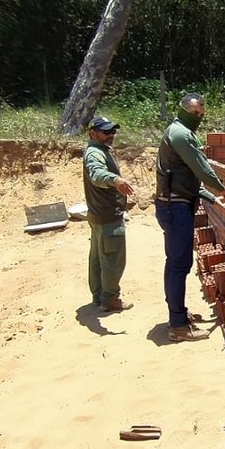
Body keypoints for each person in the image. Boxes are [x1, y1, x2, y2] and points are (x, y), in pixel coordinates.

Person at [155, 93, 225, 342]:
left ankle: (177, 314)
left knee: (175, 262)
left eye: (201, 114)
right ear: (183, 110)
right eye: (195, 113)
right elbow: (200, 166)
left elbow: (187, 180)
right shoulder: (180, 134)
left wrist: (213, 199)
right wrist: (220, 187)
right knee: (180, 265)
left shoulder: (179, 131)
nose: (198, 117)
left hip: (174, 203)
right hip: (175, 207)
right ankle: (178, 326)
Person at [83, 114, 136, 312]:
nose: (111, 135)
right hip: (108, 218)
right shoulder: (95, 153)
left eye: (112, 131)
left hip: (98, 216)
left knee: (98, 258)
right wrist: (115, 179)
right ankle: (110, 299)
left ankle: (99, 296)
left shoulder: (97, 149)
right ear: (92, 133)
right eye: (106, 132)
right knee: (113, 260)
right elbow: (97, 174)